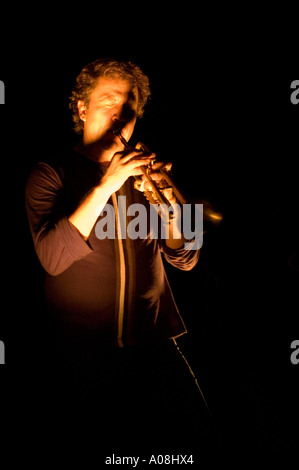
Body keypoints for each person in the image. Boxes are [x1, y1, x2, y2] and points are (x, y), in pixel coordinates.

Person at [25, 58, 217, 453]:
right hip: (82, 352)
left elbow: (186, 258)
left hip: (156, 343)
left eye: (129, 106)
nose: (120, 113)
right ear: (82, 108)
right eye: (108, 100)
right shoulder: (51, 172)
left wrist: (170, 209)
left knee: (199, 441)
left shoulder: (144, 168)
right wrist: (106, 183)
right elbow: (52, 257)